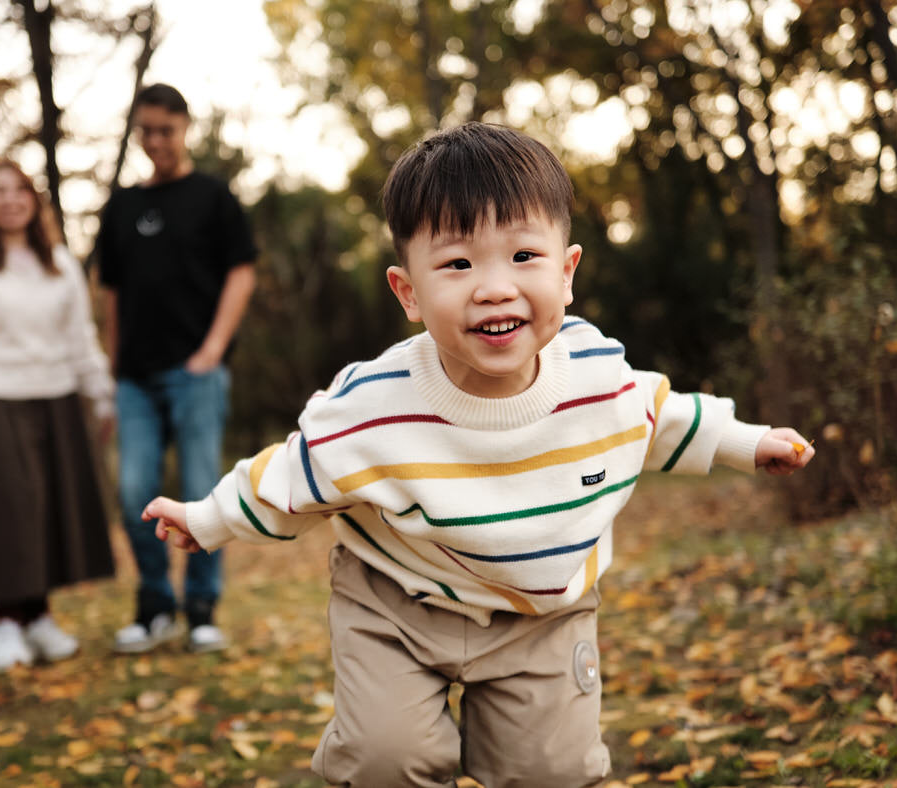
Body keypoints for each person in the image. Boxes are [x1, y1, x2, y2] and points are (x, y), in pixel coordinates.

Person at [142, 123, 817, 787]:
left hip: (542, 616)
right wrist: (207, 518)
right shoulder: (374, 403)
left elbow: (662, 416)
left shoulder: (595, 374)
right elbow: (292, 473)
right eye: (458, 264)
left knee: (550, 771)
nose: (495, 286)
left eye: (524, 256)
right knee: (387, 758)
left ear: (567, 270)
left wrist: (749, 443)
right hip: (396, 603)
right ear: (408, 292)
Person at [91, 83, 257, 654]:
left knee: (200, 493)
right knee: (135, 488)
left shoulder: (212, 197)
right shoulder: (121, 207)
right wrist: (113, 374)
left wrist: (211, 351)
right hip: (134, 378)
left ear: (185, 127)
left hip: (196, 374)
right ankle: (155, 605)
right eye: (147, 131)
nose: (156, 141)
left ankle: (202, 609)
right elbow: (111, 294)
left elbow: (241, 272)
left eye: (166, 129)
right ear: (137, 133)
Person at [0, 159, 117, 673]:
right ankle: (8, 624)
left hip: (57, 397)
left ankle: (39, 619)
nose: (10, 199)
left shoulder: (59, 265)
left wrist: (100, 394)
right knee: (11, 510)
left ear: (34, 201)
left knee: (50, 509)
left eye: (20, 190)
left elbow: (81, 337)